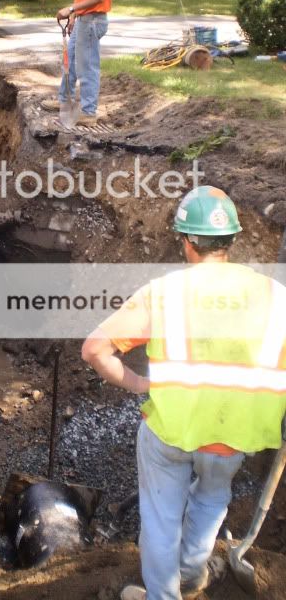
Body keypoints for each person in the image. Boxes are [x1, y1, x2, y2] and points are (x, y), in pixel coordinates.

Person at [82, 186, 286, 600]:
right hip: (234, 435)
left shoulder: (164, 293)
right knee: (211, 503)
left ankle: (163, 595)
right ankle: (192, 577)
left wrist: (140, 384)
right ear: (231, 239)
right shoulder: (277, 298)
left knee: (161, 518)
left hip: (170, 431)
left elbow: (94, 349)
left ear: (188, 242)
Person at [44, 0, 111, 126]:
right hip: (83, 19)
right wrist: (75, 14)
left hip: (92, 21)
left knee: (87, 66)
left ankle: (89, 112)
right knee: (70, 62)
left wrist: (71, 8)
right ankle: (65, 100)